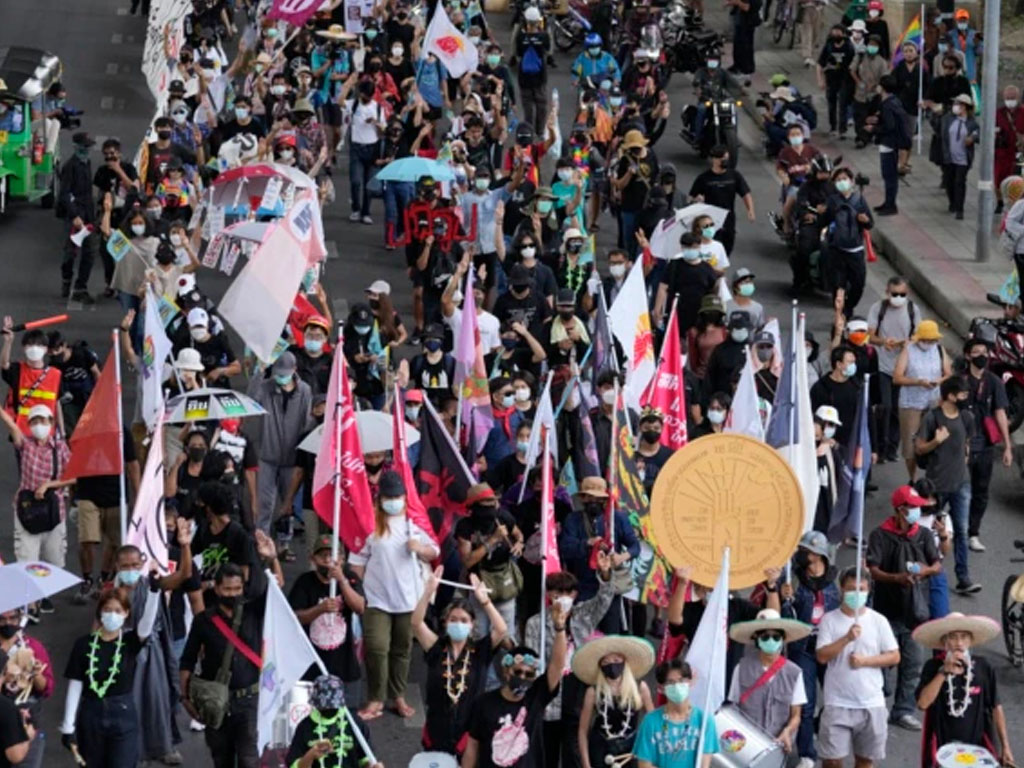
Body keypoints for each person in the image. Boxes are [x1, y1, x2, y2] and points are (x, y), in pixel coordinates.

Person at [180, 533, 284, 768]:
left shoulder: (254, 612)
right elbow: (187, 659)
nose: (233, 594)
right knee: (221, 759)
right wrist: (185, 698)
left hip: (249, 701)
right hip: (214, 702)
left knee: (249, 759)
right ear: (216, 589)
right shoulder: (204, 621)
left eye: (237, 589)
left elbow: (276, 592)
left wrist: (270, 559)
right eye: (227, 589)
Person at [348, 470, 439, 720]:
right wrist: (361, 588)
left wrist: (419, 548)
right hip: (377, 599)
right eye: (389, 497)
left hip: (408, 599)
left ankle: (397, 695)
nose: (394, 502)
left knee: (402, 649)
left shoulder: (414, 524)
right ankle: (376, 697)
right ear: (380, 499)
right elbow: (356, 563)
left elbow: (434, 550)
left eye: (398, 496)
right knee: (376, 647)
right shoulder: (370, 525)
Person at [525, 558, 616, 768]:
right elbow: (534, 663)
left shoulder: (583, 614)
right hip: (551, 692)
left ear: (574, 595)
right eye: (556, 592)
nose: (561, 597)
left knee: (574, 749)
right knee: (547, 750)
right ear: (548, 594)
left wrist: (605, 574)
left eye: (567, 592)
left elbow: (604, 599)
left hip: (578, 689)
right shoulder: (536, 623)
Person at [866, 484, 942, 731]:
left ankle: (903, 711)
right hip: (885, 611)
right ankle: (878, 704)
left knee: (913, 663)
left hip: (915, 612)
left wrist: (924, 571)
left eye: (918, 508)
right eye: (912, 507)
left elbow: (937, 565)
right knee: (884, 666)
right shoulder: (880, 535)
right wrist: (896, 578)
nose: (917, 512)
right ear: (899, 510)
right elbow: (874, 570)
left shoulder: (925, 535)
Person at [60, 583, 160, 767]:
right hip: (91, 715)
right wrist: (68, 726)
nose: (112, 614)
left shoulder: (130, 643)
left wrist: (154, 592)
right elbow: (75, 685)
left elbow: (146, 625)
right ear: (99, 612)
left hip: (122, 714)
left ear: (126, 613)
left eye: (117, 610)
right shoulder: (83, 644)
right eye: (107, 609)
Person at [412, 566, 509, 755]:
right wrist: (428, 592)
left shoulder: (480, 650)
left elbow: (501, 629)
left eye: (464, 620)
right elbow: (416, 623)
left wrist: (485, 601)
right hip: (437, 729)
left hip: (470, 732)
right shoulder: (436, 647)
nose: (458, 624)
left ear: (472, 625)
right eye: (453, 619)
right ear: (445, 623)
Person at [462, 599, 571, 768]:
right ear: (506, 672)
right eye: (517, 672)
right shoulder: (484, 702)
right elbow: (472, 746)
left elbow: (557, 665)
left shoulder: (536, 697)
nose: (522, 677)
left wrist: (560, 629)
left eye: (529, 674)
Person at [815, 568, 901, 768]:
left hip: (870, 702)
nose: (856, 594)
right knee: (832, 760)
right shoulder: (829, 620)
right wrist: (846, 638)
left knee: (865, 760)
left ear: (868, 590)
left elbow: (894, 656)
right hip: (837, 702)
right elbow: (821, 656)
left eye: (861, 589)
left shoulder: (878, 621)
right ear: (841, 590)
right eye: (851, 589)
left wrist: (865, 661)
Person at [913, 612, 1014, 767]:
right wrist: (943, 672)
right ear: (945, 641)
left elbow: (995, 707)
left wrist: (1005, 747)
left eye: (964, 637)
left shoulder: (983, 667)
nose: (959, 643)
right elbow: (923, 703)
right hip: (942, 750)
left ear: (970, 640)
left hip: (978, 749)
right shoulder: (933, 666)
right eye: (953, 637)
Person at [914, 376, 981, 595]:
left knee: (961, 530)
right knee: (929, 529)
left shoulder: (967, 417)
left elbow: (967, 443)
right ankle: (925, 572)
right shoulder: (932, 418)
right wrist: (936, 441)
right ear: (950, 395)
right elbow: (919, 448)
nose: (965, 398)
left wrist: (965, 459)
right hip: (936, 485)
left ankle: (963, 577)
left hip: (961, 483)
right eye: (962, 394)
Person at [780, 530, 841, 764]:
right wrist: (786, 598)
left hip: (829, 648)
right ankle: (807, 753)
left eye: (806, 552)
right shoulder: (793, 580)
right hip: (803, 648)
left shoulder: (835, 584)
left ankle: (823, 732)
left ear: (817, 555)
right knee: (805, 704)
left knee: (836, 700)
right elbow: (786, 620)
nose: (801, 555)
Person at [726, 609, 811, 756]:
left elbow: (796, 714)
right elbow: (733, 707)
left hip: (777, 744)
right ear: (757, 639)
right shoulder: (741, 668)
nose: (771, 641)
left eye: (776, 637)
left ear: (782, 639)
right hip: (746, 743)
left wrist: (787, 731)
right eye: (765, 637)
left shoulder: (794, 672)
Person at [0, 404, 72, 576]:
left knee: (54, 561)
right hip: (27, 509)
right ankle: (31, 603)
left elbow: (74, 476)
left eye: (43, 420)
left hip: (54, 510)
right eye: (35, 421)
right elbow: (12, 426)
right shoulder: (25, 444)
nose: (39, 425)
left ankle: (46, 598)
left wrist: (49, 485)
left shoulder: (60, 448)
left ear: (51, 422)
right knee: (27, 560)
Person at [248, 351, 313, 534]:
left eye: (284, 373)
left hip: (292, 458)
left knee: (288, 503)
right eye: (278, 373)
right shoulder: (267, 387)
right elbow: (252, 400)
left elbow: (308, 421)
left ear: (294, 370)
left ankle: (285, 543)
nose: (281, 377)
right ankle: (262, 539)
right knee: (265, 503)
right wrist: (259, 371)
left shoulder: (305, 391)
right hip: (267, 456)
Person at [960, 333, 1014, 552]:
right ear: (967, 356)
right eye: (976, 353)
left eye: (985, 353)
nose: (982, 356)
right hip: (962, 443)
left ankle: (973, 532)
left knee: (981, 490)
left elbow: (1000, 412)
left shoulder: (994, 382)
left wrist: (1007, 446)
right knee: (959, 489)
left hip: (985, 444)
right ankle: (955, 528)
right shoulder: (960, 380)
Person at [289, 535, 366, 685]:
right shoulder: (304, 582)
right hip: (311, 667)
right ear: (313, 559)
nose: (328, 560)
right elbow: (295, 617)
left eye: (333, 555)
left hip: (344, 667)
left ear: (342, 559)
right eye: (323, 556)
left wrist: (342, 581)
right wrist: (320, 609)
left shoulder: (350, 578)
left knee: (347, 708)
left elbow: (359, 607)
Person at [574, 635, 656, 768]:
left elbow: (653, 723)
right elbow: (583, 730)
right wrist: (586, 764)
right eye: (605, 662)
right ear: (600, 666)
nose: (612, 665)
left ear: (624, 661)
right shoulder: (593, 691)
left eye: (616, 660)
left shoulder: (640, 687)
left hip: (631, 750)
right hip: (600, 749)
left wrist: (648, 754)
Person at [867, 277, 918, 464]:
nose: (898, 297)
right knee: (884, 407)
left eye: (901, 294)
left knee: (898, 409)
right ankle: (879, 446)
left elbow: (919, 336)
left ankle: (891, 449)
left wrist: (908, 343)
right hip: (883, 366)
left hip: (904, 368)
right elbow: (870, 336)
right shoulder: (877, 309)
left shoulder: (913, 310)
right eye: (894, 294)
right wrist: (883, 342)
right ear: (887, 292)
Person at [633, 659, 718, 768]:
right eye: (670, 682)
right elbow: (644, 765)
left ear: (691, 682)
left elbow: (704, 764)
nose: (677, 686)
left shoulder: (705, 721)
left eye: (682, 680)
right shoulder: (651, 721)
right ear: (661, 688)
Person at [285, 674, 381, 768]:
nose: (330, 708)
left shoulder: (355, 723)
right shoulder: (305, 727)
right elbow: (294, 765)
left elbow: (365, 759)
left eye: (333, 706)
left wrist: (372, 766)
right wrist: (311, 755)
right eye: (325, 706)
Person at [894, 319, 950, 480]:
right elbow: (897, 377)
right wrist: (917, 382)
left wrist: (938, 381)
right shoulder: (908, 351)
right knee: (910, 444)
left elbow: (948, 373)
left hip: (934, 400)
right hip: (911, 402)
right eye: (926, 340)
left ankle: (932, 477)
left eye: (932, 341)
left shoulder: (939, 350)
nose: (929, 343)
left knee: (934, 439)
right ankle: (912, 478)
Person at [823, 168, 873, 317]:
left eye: (844, 179)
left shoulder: (859, 200)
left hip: (855, 251)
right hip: (837, 250)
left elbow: (870, 224)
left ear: (851, 181)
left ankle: (849, 307)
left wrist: (865, 221)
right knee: (838, 285)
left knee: (858, 285)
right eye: (838, 180)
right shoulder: (832, 201)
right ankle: (839, 313)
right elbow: (824, 220)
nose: (842, 182)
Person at [688, 146, 755, 256]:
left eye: (727, 158)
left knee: (727, 247)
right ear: (714, 159)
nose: (725, 161)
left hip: (728, 219)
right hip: (710, 220)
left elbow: (745, 194)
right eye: (723, 159)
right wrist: (697, 200)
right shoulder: (704, 178)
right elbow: (691, 198)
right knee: (710, 249)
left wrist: (750, 210)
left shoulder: (734, 176)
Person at [58, 132, 99, 303]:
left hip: (88, 214)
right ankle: (66, 280)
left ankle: (81, 287)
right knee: (70, 253)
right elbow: (64, 194)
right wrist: (74, 215)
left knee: (89, 253)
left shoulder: (86, 162)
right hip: (75, 215)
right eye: (85, 146)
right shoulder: (70, 166)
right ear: (77, 147)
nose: (87, 149)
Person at [612, 130, 659, 261]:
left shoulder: (651, 156)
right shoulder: (625, 160)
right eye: (632, 148)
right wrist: (629, 174)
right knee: (629, 240)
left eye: (637, 148)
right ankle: (630, 263)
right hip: (630, 206)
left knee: (647, 239)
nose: (635, 151)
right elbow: (620, 185)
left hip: (647, 206)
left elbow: (656, 176)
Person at [870, 75, 911, 216]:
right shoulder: (895, 101)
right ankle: (888, 202)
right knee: (889, 176)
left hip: (889, 143)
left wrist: (874, 129)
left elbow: (889, 125)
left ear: (882, 87)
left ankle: (890, 204)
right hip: (893, 143)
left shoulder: (887, 104)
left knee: (889, 175)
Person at [810, 345, 861, 445]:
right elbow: (813, 416)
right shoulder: (821, 388)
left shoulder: (857, 387)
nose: (853, 365)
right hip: (827, 442)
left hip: (852, 442)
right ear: (839, 364)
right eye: (850, 362)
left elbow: (867, 416)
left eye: (854, 362)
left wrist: (874, 448)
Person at [940, 94, 979, 220]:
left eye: (959, 104)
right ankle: (952, 202)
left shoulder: (971, 123)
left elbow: (977, 134)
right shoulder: (948, 119)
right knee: (949, 181)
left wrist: (972, 138)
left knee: (960, 182)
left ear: (966, 107)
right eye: (955, 104)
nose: (956, 107)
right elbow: (939, 130)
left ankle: (959, 208)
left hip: (963, 158)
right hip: (949, 157)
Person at [817, 25, 855, 138]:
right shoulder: (828, 46)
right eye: (834, 33)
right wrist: (820, 80)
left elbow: (854, 64)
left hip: (845, 79)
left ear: (843, 34)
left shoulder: (849, 47)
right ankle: (833, 127)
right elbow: (819, 64)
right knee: (831, 103)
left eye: (838, 33)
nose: (836, 36)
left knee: (843, 103)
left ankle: (842, 129)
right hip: (831, 79)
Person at [995, 86, 1024, 214]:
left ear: (1018, 98)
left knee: (1017, 180)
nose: (1010, 101)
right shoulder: (999, 113)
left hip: (1018, 153)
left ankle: (1016, 204)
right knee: (998, 180)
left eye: (1012, 98)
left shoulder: (1023, 113)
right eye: (1008, 98)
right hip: (1001, 153)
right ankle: (1000, 202)